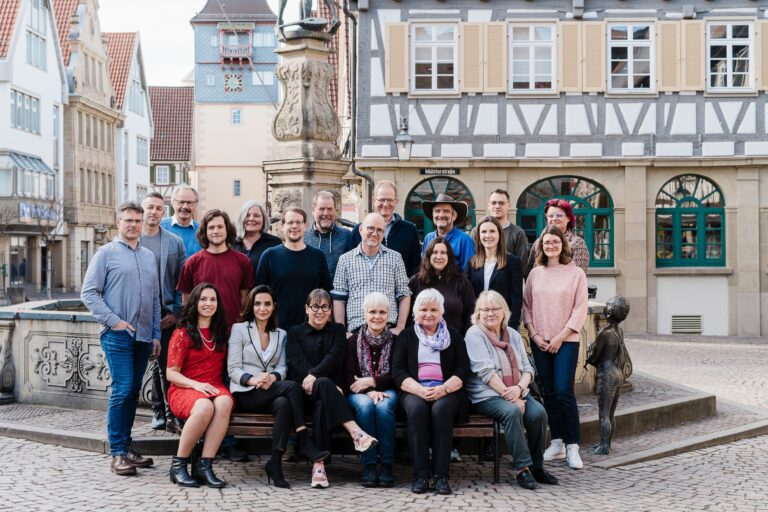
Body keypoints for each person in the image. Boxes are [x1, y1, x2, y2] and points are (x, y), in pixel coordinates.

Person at [81, 201, 161, 476]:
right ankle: (117, 453)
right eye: (128, 220)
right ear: (119, 222)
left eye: (137, 221)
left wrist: (156, 334)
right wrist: (113, 321)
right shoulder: (106, 253)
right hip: (117, 335)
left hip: (143, 335)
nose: (133, 225)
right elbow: (89, 293)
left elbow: (154, 298)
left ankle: (127, 448)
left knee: (132, 390)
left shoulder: (149, 256)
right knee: (123, 388)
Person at [227, 285, 329, 488]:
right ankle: (304, 440)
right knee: (292, 387)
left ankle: (275, 462)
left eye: (267, 303)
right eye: (257, 304)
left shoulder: (280, 334)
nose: (262, 308)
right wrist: (253, 379)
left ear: (274, 306)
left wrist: (273, 377)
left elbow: (282, 367)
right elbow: (233, 368)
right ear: (251, 306)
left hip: (271, 392)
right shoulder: (239, 330)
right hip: (246, 393)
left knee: (283, 403)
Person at [177, 209, 253, 462]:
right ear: (205, 232)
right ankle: (199, 437)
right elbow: (187, 303)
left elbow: (245, 301)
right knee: (203, 389)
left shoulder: (241, 261)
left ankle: (227, 441)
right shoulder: (193, 263)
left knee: (227, 390)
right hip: (201, 339)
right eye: (211, 228)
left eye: (220, 227)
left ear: (227, 230)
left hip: (232, 335)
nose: (216, 231)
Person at [465, 290, 558, 490]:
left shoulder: (513, 335)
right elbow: (486, 373)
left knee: (539, 414)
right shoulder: (474, 334)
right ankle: (522, 469)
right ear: (478, 313)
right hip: (486, 395)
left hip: (517, 390)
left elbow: (527, 368)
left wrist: (518, 388)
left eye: (495, 309)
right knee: (513, 411)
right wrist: (511, 396)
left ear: (504, 311)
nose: (490, 313)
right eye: (485, 309)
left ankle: (537, 466)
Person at [286, 289, 378, 489]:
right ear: (306, 308)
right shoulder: (295, 333)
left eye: (325, 307)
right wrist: (313, 377)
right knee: (325, 385)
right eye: (315, 307)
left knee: (322, 405)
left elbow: (335, 357)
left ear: (330, 310)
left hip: (330, 395)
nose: (320, 311)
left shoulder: (337, 330)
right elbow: (297, 363)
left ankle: (319, 466)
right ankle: (356, 432)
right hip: (303, 393)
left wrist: (316, 376)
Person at [392, 289, 470, 495]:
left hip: (447, 391)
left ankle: (441, 476)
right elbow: (398, 371)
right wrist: (419, 389)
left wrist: (443, 389)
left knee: (441, 411)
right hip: (414, 391)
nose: (429, 313)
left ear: (441, 312)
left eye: (434, 309)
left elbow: (463, 369)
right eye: (423, 309)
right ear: (415, 312)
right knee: (417, 411)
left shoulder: (453, 335)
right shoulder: (407, 335)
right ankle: (420, 474)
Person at [523, 225, 588, 470]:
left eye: (555, 242)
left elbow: (580, 309)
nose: (550, 246)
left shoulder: (576, 274)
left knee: (564, 391)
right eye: (546, 242)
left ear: (563, 245)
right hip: (540, 339)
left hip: (566, 340)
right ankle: (557, 441)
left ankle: (573, 445)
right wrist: (534, 333)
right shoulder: (535, 274)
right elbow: (527, 306)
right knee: (549, 391)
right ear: (540, 246)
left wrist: (561, 336)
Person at [166, 283, 233, 488]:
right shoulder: (182, 332)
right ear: (195, 302)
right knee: (205, 406)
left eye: (213, 299)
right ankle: (179, 465)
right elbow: (171, 373)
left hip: (213, 385)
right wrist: (196, 385)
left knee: (224, 403)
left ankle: (205, 467)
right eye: (203, 299)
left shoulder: (220, 331)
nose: (208, 303)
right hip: (184, 387)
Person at [141, 192, 187, 434]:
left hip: (165, 313)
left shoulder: (174, 241)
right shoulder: (131, 238)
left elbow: (182, 281)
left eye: (159, 208)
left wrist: (177, 312)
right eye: (150, 207)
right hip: (138, 314)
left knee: (167, 365)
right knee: (142, 366)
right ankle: (158, 411)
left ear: (164, 211)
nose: (154, 212)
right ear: (142, 210)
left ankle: (170, 414)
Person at [344, 292, 398, 488]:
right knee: (366, 406)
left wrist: (372, 382)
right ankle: (368, 465)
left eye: (382, 312)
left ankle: (386, 465)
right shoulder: (352, 341)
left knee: (383, 407)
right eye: (372, 312)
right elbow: (348, 376)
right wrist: (367, 390)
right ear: (365, 314)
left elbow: (397, 375)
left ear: (389, 315)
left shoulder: (396, 341)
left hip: (387, 390)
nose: (377, 316)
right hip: (359, 392)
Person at [332, 213, 411, 336]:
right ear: (361, 229)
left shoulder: (395, 258)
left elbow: (404, 294)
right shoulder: (345, 260)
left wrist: (400, 327)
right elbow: (339, 298)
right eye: (371, 228)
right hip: (356, 331)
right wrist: (342, 331)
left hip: (388, 331)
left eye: (380, 230)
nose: (375, 233)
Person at [256, 207, 332, 330]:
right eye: (290, 222)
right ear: (282, 226)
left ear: (305, 226)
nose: (294, 226)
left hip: (311, 329)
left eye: (299, 222)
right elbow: (259, 293)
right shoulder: (269, 256)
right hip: (277, 329)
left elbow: (326, 293)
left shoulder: (317, 256)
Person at [350, 181, 421, 277]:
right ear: (374, 201)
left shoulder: (409, 230)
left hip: (400, 290)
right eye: (381, 200)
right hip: (365, 289)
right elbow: (350, 261)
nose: (385, 204)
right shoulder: (359, 230)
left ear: (396, 202)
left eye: (390, 200)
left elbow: (415, 265)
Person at [408, 236, 475, 335]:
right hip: (421, 342)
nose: (439, 256)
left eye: (443, 253)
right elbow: (407, 315)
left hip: (454, 343)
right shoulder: (416, 281)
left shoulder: (461, 282)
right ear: (428, 255)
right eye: (435, 252)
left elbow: (471, 315)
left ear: (449, 256)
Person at [466, 216, 523, 330]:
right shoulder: (472, 263)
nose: (488, 235)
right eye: (484, 232)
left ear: (499, 234)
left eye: (492, 231)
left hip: (503, 325)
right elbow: (468, 297)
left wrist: (511, 327)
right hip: (478, 325)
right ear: (479, 236)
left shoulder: (513, 262)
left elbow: (516, 298)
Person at [526, 198, 589, 276]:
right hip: (540, 286)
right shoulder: (539, 242)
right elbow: (529, 272)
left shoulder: (577, 243)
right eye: (551, 216)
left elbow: (578, 275)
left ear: (568, 218)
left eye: (559, 215)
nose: (554, 219)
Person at [470, 189, 529, 267]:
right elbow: (472, 260)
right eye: (493, 203)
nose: (497, 206)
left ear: (509, 205)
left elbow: (522, 265)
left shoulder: (518, 233)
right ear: (488, 206)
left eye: (501, 203)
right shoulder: (476, 231)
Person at [304, 190, 353, 280]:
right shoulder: (303, 238)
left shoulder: (348, 236)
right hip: (310, 293)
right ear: (313, 210)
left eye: (330, 209)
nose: (326, 213)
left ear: (335, 211)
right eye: (322, 209)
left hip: (339, 293)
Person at [421, 193, 475, 271]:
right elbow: (424, 265)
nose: (441, 215)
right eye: (437, 211)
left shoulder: (464, 240)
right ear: (433, 215)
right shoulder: (428, 238)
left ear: (454, 216)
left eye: (446, 211)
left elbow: (468, 272)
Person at [232, 200, 281, 276]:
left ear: (263, 220)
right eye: (247, 215)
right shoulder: (231, 243)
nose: (251, 219)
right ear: (241, 218)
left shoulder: (274, 243)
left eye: (256, 216)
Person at [161, 185, 202, 257]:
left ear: (196, 205)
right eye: (181, 202)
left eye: (189, 203)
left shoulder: (202, 231)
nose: (185, 206)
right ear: (173, 203)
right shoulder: (160, 227)